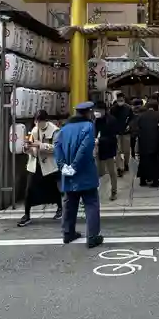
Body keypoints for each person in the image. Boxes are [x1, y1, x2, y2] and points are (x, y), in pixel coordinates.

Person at [54, 101, 103, 248]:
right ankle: (92, 237)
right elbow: (85, 148)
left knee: (69, 203)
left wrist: (63, 166)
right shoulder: (88, 127)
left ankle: (68, 233)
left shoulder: (64, 128)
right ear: (88, 112)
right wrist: (74, 166)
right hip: (85, 171)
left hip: (68, 173)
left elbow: (57, 147)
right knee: (91, 204)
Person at [17, 110, 62, 227]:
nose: (38, 124)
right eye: (36, 121)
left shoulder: (55, 131)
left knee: (52, 188)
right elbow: (32, 148)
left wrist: (41, 145)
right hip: (35, 165)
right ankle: (26, 214)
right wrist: (27, 148)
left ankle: (60, 207)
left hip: (49, 166)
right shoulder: (33, 130)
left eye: (40, 122)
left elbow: (57, 148)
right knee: (29, 189)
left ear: (45, 121)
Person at [94, 101, 118, 201]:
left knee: (112, 171)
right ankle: (96, 192)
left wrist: (100, 140)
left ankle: (114, 191)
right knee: (99, 172)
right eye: (95, 110)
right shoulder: (95, 120)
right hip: (98, 149)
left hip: (109, 149)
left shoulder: (111, 120)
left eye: (98, 110)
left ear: (104, 110)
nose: (96, 112)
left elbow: (113, 137)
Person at [137, 100, 159, 187]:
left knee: (143, 160)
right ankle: (155, 180)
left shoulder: (141, 116)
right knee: (155, 161)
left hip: (143, 142)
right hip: (155, 142)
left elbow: (137, 127)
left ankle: (142, 180)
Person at [110, 92, 133, 176]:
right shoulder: (113, 109)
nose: (120, 102)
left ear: (124, 99)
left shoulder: (128, 108)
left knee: (126, 150)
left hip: (126, 132)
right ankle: (120, 168)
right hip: (116, 132)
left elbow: (132, 119)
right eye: (119, 100)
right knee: (118, 151)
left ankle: (126, 164)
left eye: (122, 100)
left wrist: (129, 125)